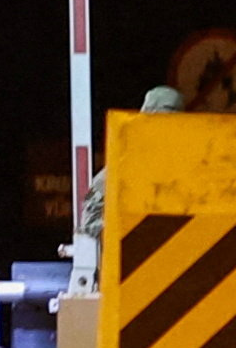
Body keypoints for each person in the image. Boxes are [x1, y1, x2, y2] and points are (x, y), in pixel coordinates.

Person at [71, 85, 183, 289]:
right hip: (127, 279)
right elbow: (91, 222)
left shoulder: (185, 168)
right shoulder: (121, 168)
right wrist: (134, 230)